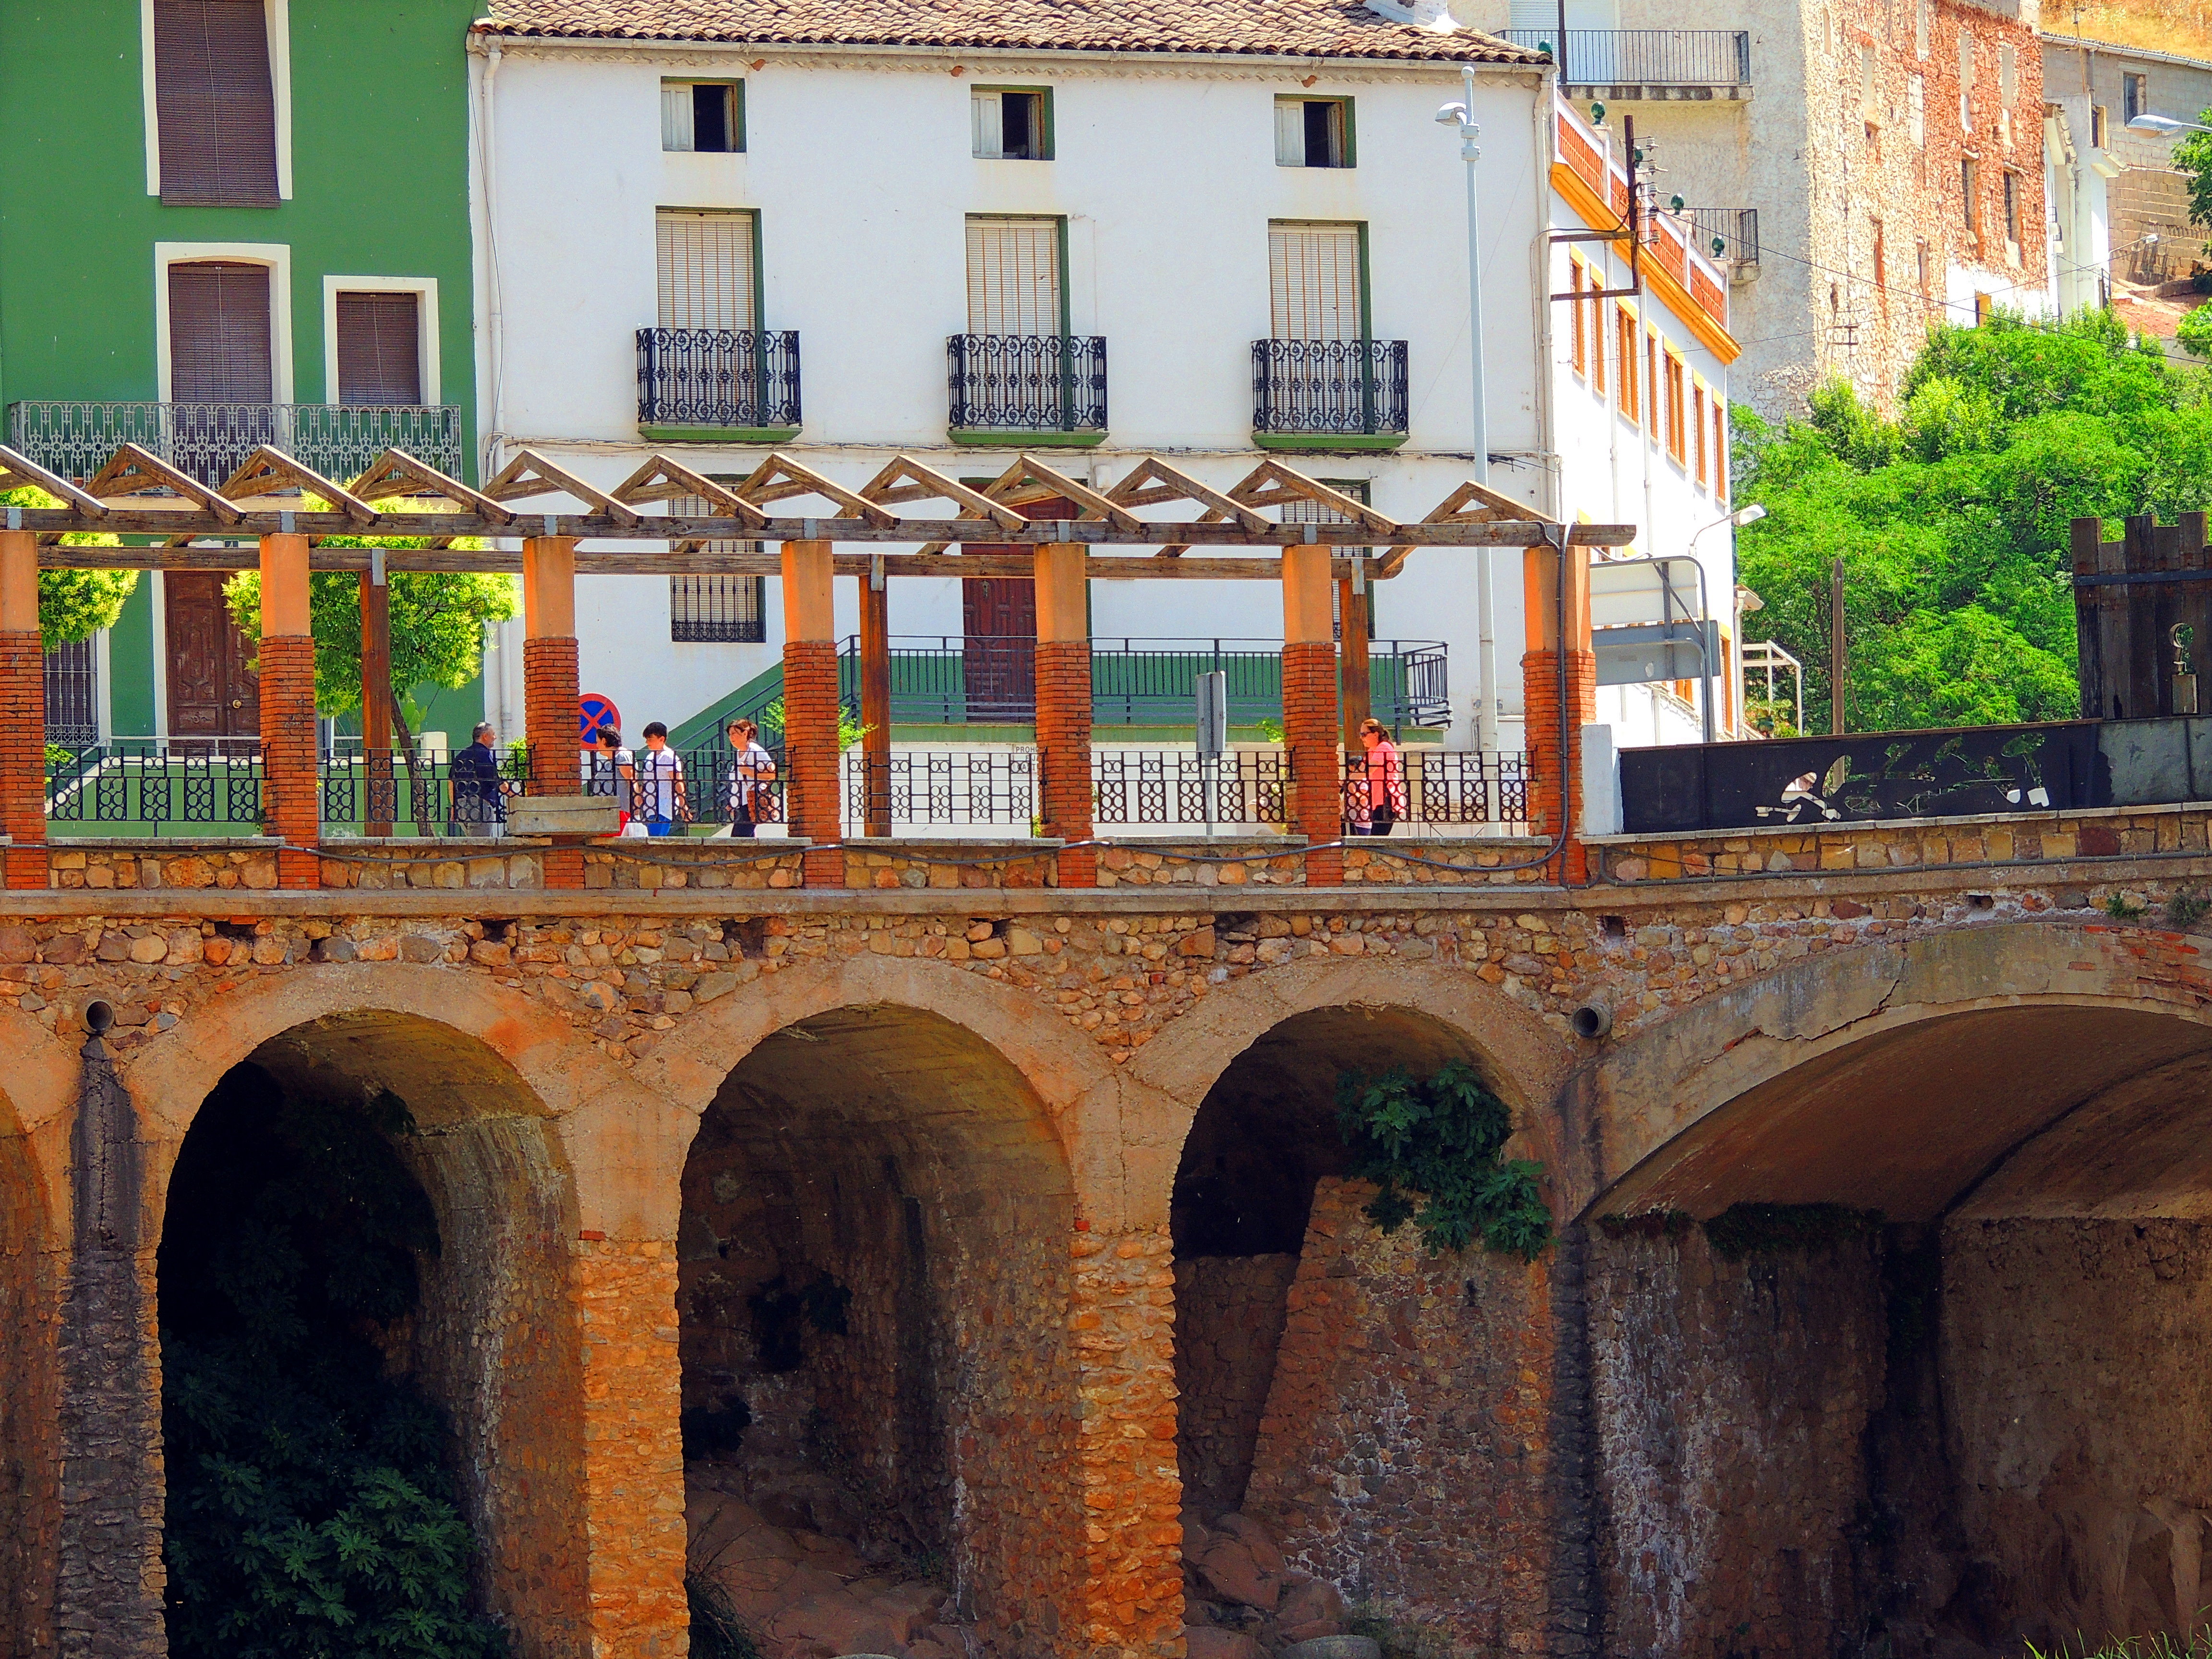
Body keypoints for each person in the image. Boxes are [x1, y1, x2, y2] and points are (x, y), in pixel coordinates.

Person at [448, 722, 512, 836]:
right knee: (482, 846)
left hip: (461, 806)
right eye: (493, 734)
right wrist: (516, 797)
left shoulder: (462, 755)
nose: (495, 737)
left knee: (472, 844)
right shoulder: (485, 755)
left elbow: (451, 782)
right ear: (485, 736)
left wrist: (454, 806)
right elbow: (498, 782)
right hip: (479, 807)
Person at [1348, 717, 1406, 836]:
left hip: (1387, 799)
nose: (1361, 738)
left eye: (1364, 734)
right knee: (1375, 838)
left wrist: (1351, 780)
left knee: (1377, 838)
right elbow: (1361, 771)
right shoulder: (1372, 750)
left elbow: (1369, 769)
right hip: (1378, 800)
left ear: (1375, 734)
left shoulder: (1384, 747)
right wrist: (1349, 781)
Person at [633, 721, 689, 836]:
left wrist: (683, 805)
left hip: (664, 807)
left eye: (650, 739)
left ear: (661, 739)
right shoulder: (649, 757)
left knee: (656, 840)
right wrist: (638, 804)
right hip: (650, 807)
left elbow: (678, 781)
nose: (647, 742)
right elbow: (646, 783)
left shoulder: (669, 756)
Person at [725, 717, 777, 837]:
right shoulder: (739, 752)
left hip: (751, 802)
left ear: (745, 734)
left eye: (734, 733)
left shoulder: (755, 751)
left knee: (738, 840)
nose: (731, 738)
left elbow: (772, 774)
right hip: (740, 804)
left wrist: (750, 772)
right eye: (730, 734)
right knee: (746, 840)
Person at [587, 726, 635, 830]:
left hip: (619, 811)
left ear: (604, 741)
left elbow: (631, 781)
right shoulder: (610, 760)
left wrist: (635, 806)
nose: (597, 745)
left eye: (598, 742)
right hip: (607, 811)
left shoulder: (622, 756)